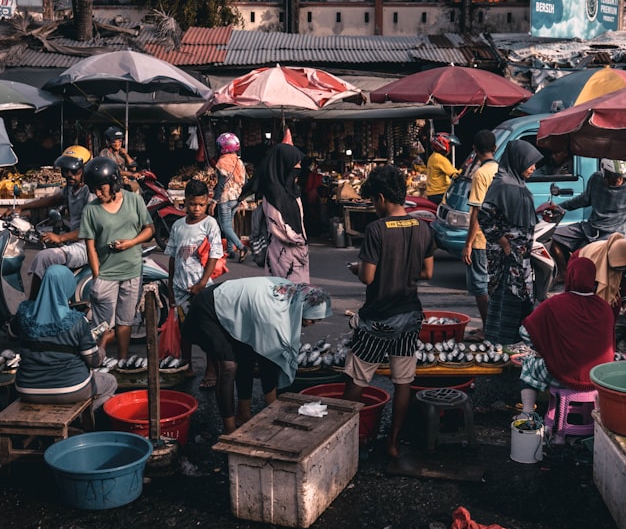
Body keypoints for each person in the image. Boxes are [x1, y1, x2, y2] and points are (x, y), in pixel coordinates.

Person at [342, 165, 435, 458]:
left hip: (378, 317)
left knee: (356, 378)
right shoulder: (423, 227)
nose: (373, 206)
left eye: (373, 201)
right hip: (410, 315)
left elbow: (368, 277)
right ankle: (393, 443)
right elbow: (427, 272)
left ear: (381, 198)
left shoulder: (376, 229)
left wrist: (359, 268)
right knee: (403, 380)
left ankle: (345, 441)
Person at [182, 277, 331, 434]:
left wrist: (273, 410)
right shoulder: (274, 314)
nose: (311, 325)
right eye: (312, 320)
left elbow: (265, 357)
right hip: (210, 307)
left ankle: (243, 414)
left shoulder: (292, 300)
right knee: (228, 367)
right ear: (302, 309)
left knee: (246, 354)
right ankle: (229, 430)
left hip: (236, 310)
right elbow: (268, 358)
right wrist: (273, 410)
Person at [518, 258, 615, 423]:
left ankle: (527, 413)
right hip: (599, 378)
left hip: (561, 375)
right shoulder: (604, 307)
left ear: (570, 277)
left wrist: (543, 348)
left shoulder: (554, 303)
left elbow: (525, 332)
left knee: (528, 362)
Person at [78, 157, 155, 362]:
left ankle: (122, 360)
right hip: (106, 274)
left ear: (114, 183)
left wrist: (131, 243)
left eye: (101, 188)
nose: (97, 193)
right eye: (93, 189)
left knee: (125, 321)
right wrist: (97, 277)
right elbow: (91, 248)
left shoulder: (134, 200)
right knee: (103, 324)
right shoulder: (91, 210)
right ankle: (97, 358)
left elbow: (150, 229)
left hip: (132, 270)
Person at [13, 265, 117, 408]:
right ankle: (87, 417)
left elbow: (13, 332)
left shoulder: (23, 313)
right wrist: (104, 341)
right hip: (70, 388)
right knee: (110, 381)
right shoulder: (77, 321)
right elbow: (94, 361)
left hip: (26, 388)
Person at [477, 140, 544, 345]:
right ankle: (501, 347)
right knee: (507, 301)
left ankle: (515, 345)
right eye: (530, 163)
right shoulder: (504, 184)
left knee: (520, 300)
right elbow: (485, 216)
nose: (533, 168)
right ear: (518, 161)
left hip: (519, 257)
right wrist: (504, 243)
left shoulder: (517, 184)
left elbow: (520, 217)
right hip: (508, 259)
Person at [10, 145, 95, 300]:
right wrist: (22, 207)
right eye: (65, 171)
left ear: (85, 170)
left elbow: (90, 230)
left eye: (74, 171)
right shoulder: (71, 188)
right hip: (73, 241)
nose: (69, 175)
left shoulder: (90, 193)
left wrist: (61, 238)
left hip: (86, 246)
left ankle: (32, 305)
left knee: (44, 257)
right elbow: (54, 199)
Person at [166, 178, 223, 389]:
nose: (196, 208)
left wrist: (202, 283)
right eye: (192, 204)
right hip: (180, 287)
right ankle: (186, 364)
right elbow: (172, 258)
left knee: (207, 328)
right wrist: (171, 287)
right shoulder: (178, 226)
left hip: (203, 288)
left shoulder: (210, 224)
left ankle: (211, 369)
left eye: (201, 204)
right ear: (184, 202)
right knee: (185, 329)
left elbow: (214, 256)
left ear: (207, 202)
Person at [551, 158, 626, 283]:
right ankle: (564, 272)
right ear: (604, 173)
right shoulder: (596, 179)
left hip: (615, 231)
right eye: (612, 178)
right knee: (552, 235)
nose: (617, 181)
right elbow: (584, 199)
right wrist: (560, 206)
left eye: (619, 178)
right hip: (591, 226)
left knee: (591, 256)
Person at [241, 143, 310, 283]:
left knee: (299, 293)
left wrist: (302, 243)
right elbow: (277, 226)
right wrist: (298, 240)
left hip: (299, 252)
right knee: (285, 292)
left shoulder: (292, 191)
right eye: (295, 164)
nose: (299, 168)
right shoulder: (274, 195)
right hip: (282, 254)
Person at [460, 129, 498, 341]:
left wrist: (468, 243)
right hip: (498, 237)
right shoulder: (500, 170)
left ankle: (488, 329)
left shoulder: (480, 174)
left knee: (479, 284)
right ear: (494, 148)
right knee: (490, 284)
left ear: (474, 150)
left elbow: (476, 211)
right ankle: (492, 327)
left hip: (482, 238)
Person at [573, 232, 626, 316]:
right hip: (585, 273)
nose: (618, 273)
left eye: (622, 269)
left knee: (614, 304)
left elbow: (624, 281)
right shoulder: (592, 262)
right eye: (616, 269)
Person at [211, 132, 249, 263]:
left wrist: (214, 201)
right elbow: (245, 181)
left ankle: (241, 247)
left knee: (225, 225)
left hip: (226, 199)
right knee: (229, 224)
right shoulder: (240, 162)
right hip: (236, 198)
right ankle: (230, 250)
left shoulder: (222, 162)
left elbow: (221, 184)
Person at [99, 127, 140, 191]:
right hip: (110, 184)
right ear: (109, 142)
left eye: (119, 141)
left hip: (122, 182)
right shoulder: (105, 153)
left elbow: (133, 168)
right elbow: (114, 170)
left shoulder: (122, 153)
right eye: (114, 142)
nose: (117, 144)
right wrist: (131, 174)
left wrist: (126, 155)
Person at [425, 132, 460, 205]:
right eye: (449, 146)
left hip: (433, 193)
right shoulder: (440, 159)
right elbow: (455, 175)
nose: (450, 148)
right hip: (439, 194)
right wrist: (465, 170)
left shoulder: (433, 157)